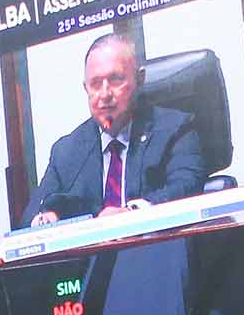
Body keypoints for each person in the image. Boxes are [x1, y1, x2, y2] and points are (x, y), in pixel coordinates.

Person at [21, 32, 204, 227]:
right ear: (86, 89)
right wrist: (46, 217)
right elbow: (30, 216)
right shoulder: (67, 151)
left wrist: (130, 214)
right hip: (92, 256)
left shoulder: (175, 129)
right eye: (95, 84)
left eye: (116, 79)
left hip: (157, 250)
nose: (105, 94)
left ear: (139, 79)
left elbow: (187, 186)